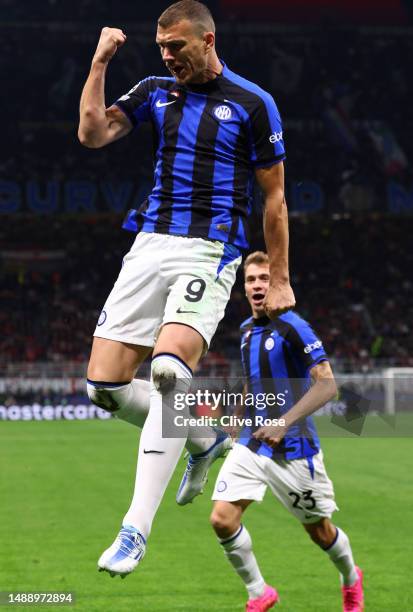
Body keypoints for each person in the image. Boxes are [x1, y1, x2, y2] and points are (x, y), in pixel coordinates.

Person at [77, 0, 295, 577]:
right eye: (161, 48)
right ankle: (202, 437)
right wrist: (99, 63)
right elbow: (93, 134)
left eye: (177, 46)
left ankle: (134, 530)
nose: (168, 56)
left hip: (211, 246)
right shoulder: (153, 90)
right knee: (102, 387)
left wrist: (279, 276)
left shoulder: (252, 103)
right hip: (150, 242)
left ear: (208, 40)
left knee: (171, 373)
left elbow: (274, 199)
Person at [209, 251, 364, 612]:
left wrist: (284, 422)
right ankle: (259, 592)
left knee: (320, 532)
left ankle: (350, 578)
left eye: (265, 278)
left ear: (276, 283)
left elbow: (328, 386)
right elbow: (252, 382)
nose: (258, 285)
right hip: (251, 443)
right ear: (244, 289)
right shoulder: (246, 331)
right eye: (251, 280)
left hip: (294, 449)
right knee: (221, 519)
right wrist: (237, 418)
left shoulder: (293, 325)